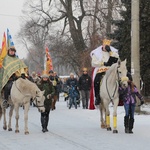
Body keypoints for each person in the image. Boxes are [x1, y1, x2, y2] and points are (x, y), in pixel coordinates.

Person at [90, 40, 119, 106]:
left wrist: (110, 52)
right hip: (102, 69)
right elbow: (93, 63)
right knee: (96, 80)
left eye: (107, 46)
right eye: (104, 45)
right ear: (102, 45)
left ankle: (119, 95)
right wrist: (102, 63)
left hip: (111, 69)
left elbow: (117, 58)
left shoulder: (112, 51)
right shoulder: (96, 53)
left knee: (119, 78)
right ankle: (97, 97)